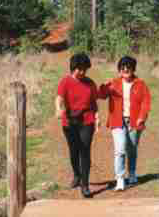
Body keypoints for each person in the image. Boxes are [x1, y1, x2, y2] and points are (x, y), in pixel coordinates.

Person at [98, 56, 151, 191]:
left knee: (132, 149)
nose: (125, 69)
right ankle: (120, 179)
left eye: (128, 67)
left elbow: (146, 102)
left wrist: (142, 117)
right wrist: (104, 86)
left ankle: (132, 173)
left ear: (133, 69)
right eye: (122, 67)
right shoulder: (114, 83)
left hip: (134, 121)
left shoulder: (141, 84)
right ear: (119, 70)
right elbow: (101, 95)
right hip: (117, 120)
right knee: (120, 150)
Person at [55, 53, 100, 198]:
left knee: (84, 150)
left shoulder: (90, 83)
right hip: (69, 121)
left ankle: (85, 185)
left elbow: (94, 103)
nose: (82, 72)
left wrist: (97, 117)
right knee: (73, 150)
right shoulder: (65, 82)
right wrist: (58, 109)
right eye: (79, 69)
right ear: (73, 68)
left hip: (87, 120)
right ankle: (77, 175)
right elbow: (59, 98)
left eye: (84, 69)